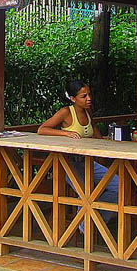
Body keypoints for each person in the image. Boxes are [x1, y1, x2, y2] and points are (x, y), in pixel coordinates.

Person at [37, 80, 118, 229]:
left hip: (88, 163)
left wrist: (105, 145)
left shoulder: (88, 112)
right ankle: (84, 228)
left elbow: (94, 130)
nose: (89, 99)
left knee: (118, 185)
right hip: (68, 164)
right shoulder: (66, 112)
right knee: (86, 191)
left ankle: (96, 221)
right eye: (84, 96)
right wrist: (65, 133)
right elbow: (42, 129)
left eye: (89, 94)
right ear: (73, 99)